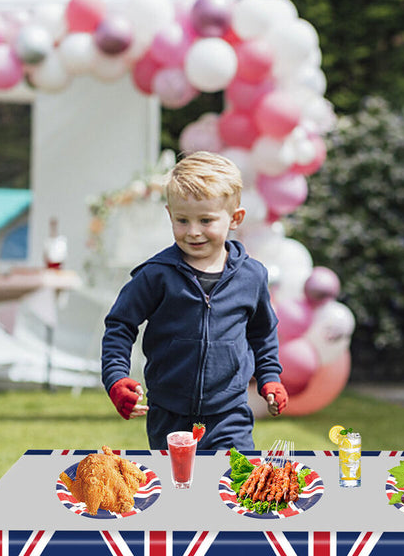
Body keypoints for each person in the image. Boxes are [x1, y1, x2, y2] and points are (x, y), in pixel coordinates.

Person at [101, 151, 288, 450]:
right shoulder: (155, 275)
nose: (193, 231)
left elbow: (262, 332)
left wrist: (270, 377)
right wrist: (116, 379)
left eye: (206, 220)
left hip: (230, 414)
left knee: (230, 486)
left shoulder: (252, 276)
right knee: (180, 490)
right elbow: (119, 326)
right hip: (169, 414)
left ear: (235, 218)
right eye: (182, 220)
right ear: (170, 215)